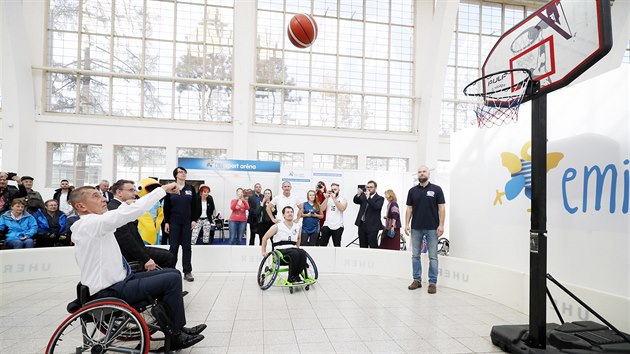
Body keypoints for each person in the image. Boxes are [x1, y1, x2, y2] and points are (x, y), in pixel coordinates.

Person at [68, 183, 206, 350]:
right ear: (81, 206)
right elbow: (127, 214)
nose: (103, 199)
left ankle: (176, 327)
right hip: (110, 290)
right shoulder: (91, 223)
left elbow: (120, 212)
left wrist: (127, 205)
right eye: (95, 196)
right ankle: (176, 335)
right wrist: (162, 190)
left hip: (118, 281)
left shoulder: (92, 224)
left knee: (173, 273)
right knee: (171, 280)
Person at [108, 179, 175, 270]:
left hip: (136, 246)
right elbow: (126, 239)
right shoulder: (115, 209)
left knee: (168, 254)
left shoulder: (121, 206)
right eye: (131, 190)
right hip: (128, 253)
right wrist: (146, 259)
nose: (135, 193)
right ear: (119, 192)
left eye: (135, 190)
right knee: (168, 257)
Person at [405, 165, 445, 294]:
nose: (421, 173)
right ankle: (416, 280)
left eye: (424, 171)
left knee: (433, 256)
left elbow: (442, 208)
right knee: (415, 256)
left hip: (432, 228)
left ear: (429, 174)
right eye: (419, 172)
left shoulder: (437, 189)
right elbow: (409, 208)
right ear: (417, 175)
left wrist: (441, 225)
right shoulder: (412, 191)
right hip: (416, 228)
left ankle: (432, 283)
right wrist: (406, 224)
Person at [163, 167, 197, 282]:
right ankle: (171, 270)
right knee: (173, 247)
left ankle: (187, 271)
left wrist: (193, 220)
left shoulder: (191, 188)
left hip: (187, 222)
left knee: (187, 247)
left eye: (184, 172)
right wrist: (166, 222)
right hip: (174, 222)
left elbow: (194, 206)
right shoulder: (171, 188)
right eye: (181, 172)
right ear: (176, 175)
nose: (183, 174)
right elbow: (166, 206)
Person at [261, 206, 307, 284]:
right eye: (287, 212)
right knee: (295, 253)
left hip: (292, 249)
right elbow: (265, 238)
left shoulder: (297, 226)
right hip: (280, 251)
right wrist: (263, 251)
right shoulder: (277, 226)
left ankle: (296, 276)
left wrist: (298, 248)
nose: (290, 214)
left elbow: (298, 239)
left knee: (302, 252)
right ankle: (291, 278)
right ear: (283, 215)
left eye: (291, 212)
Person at [353, 180, 384, 248]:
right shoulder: (363, 196)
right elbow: (356, 201)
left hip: (373, 226)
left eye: (371, 187)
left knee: (373, 245)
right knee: (362, 245)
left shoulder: (380, 198)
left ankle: (373, 259)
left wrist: (368, 198)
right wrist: (358, 194)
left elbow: (376, 207)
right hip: (362, 225)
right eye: (368, 187)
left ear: (375, 188)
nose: (369, 188)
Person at [136, 178, 164, 245]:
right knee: (143, 242)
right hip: (143, 226)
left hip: (155, 226)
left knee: (154, 243)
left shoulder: (156, 201)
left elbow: (159, 213)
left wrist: (157, 222)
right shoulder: (140, 201)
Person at [318, 183, 347, 247]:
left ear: (339, 190)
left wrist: (334, 199)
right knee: (323, 244)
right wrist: (327, 198)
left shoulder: (343, 199)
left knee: (337, 245)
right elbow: (322, 209)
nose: (333, 191)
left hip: (338, 225)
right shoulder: (328, 199)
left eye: (335, 189)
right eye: (332, 189)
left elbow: (342, 209)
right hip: (327, 224)